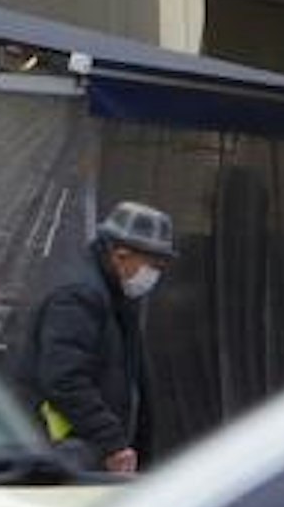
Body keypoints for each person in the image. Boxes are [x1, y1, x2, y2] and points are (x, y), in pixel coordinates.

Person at [14, 200, 174, 475]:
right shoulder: (78, 296)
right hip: (69, 455)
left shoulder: (114, 295)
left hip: (89, 452)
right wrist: (111, 442)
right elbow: (65, 379)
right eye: (152, 265)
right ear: (120, 255)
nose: (154, 275)